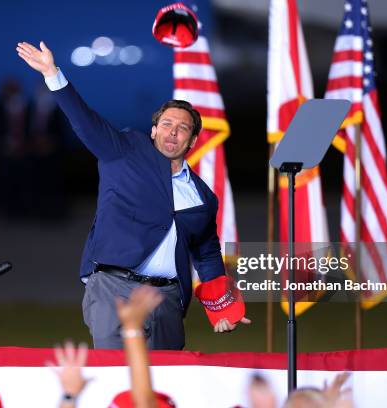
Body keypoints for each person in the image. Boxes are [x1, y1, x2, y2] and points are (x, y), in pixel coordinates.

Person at [17, 40, 250, 350]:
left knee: (164, 388)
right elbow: (85, 122)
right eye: (166, 124)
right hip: (114, 289)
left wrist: (222, 306)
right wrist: (53, 74)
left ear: (192, 140)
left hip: (167, 299)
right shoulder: (124, 151)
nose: (173, 131)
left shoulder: (203, 196)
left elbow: (206, 253)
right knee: (117, 380)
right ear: (153, 130)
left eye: (183, 128)